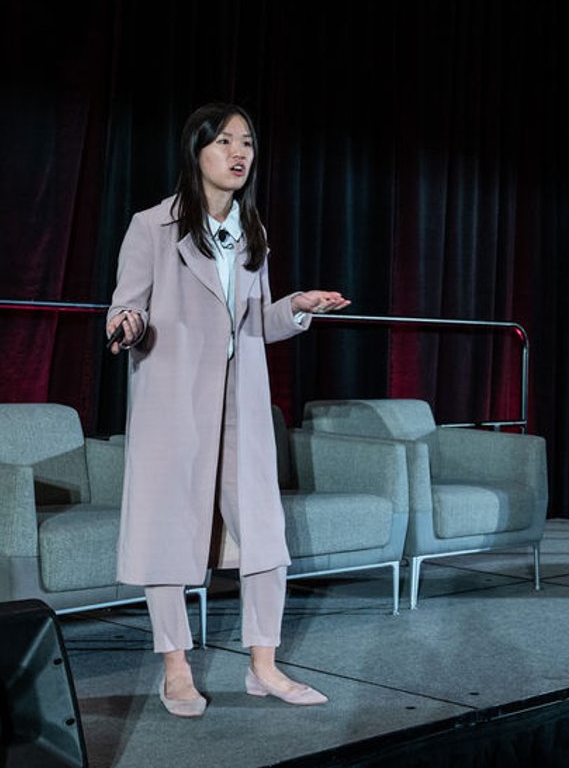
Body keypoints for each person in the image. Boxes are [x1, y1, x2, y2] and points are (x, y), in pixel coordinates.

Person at [106, 102, 349, 718]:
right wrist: (128, 326)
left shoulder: (252, 234)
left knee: (265, 532)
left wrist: (298, 305)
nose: (238, 154)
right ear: (197, 153)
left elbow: (257, 324)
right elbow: (125, 307)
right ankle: (176, 669)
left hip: (242, 398)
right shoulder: (152, 227)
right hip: (175, 402)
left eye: (246, 143)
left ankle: (263, 667)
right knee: (167, 533)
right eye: (224, 143)